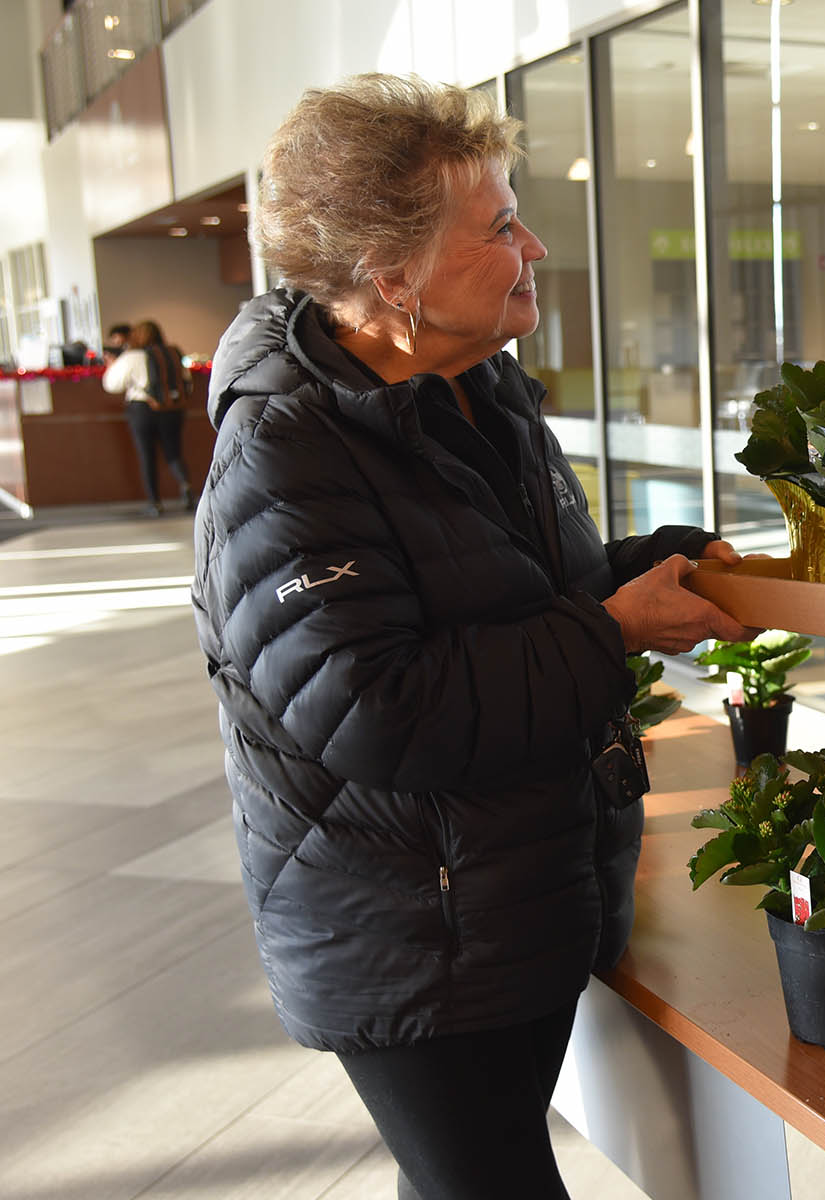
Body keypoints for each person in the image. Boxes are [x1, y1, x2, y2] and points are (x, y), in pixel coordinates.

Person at [189, 74, 754, 1200]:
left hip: (504, 899)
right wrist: (609, 629)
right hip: (409, 932)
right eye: (499, 226)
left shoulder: (472, 386)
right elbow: (379, 706)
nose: (534, 244)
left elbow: (519, 589)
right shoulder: (284, 456)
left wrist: (656, 568)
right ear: (391, 275)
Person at [102, 318, 195, 515]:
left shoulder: (133, 356)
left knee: (147, 455)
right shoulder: (172, 353)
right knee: (174, 452)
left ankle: (155, 502)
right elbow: (187, 380)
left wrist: (111, 365)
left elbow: (112, 384)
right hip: (172, 409)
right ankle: (186, 486)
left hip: (142, 409)